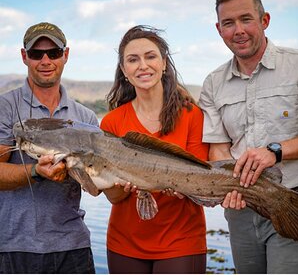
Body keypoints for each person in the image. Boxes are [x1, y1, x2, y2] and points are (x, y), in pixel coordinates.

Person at [199, 0, 298, 274]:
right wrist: (225, 186)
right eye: (228, 23)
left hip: (290, 199)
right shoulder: (213, 83)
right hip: (240, 207)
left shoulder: (296, 66)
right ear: (219, 29)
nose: (238, 30)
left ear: (264, 20)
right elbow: (219, 148)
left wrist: (275, 152)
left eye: (246, 19)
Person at [100, 25, 209, 274]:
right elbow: (113, 197)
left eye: (150, 56)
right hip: (124, 243)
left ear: (163, 63)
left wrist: (177, 184)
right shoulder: (112, 122)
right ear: (124, 71)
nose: (143, 65)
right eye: (133, 60)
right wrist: (122, 186)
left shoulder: (192, 115)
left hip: (182, 241)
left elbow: (200, 181)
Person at [0, 22, 98, 273]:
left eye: (53, 53)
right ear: (24, 57)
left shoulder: (85, 117)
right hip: (15, 248)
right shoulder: (6, 107)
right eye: (36, 54)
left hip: (74, 247)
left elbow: (94, 186)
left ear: (66, 55)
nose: (46, 60)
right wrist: (35, 172)